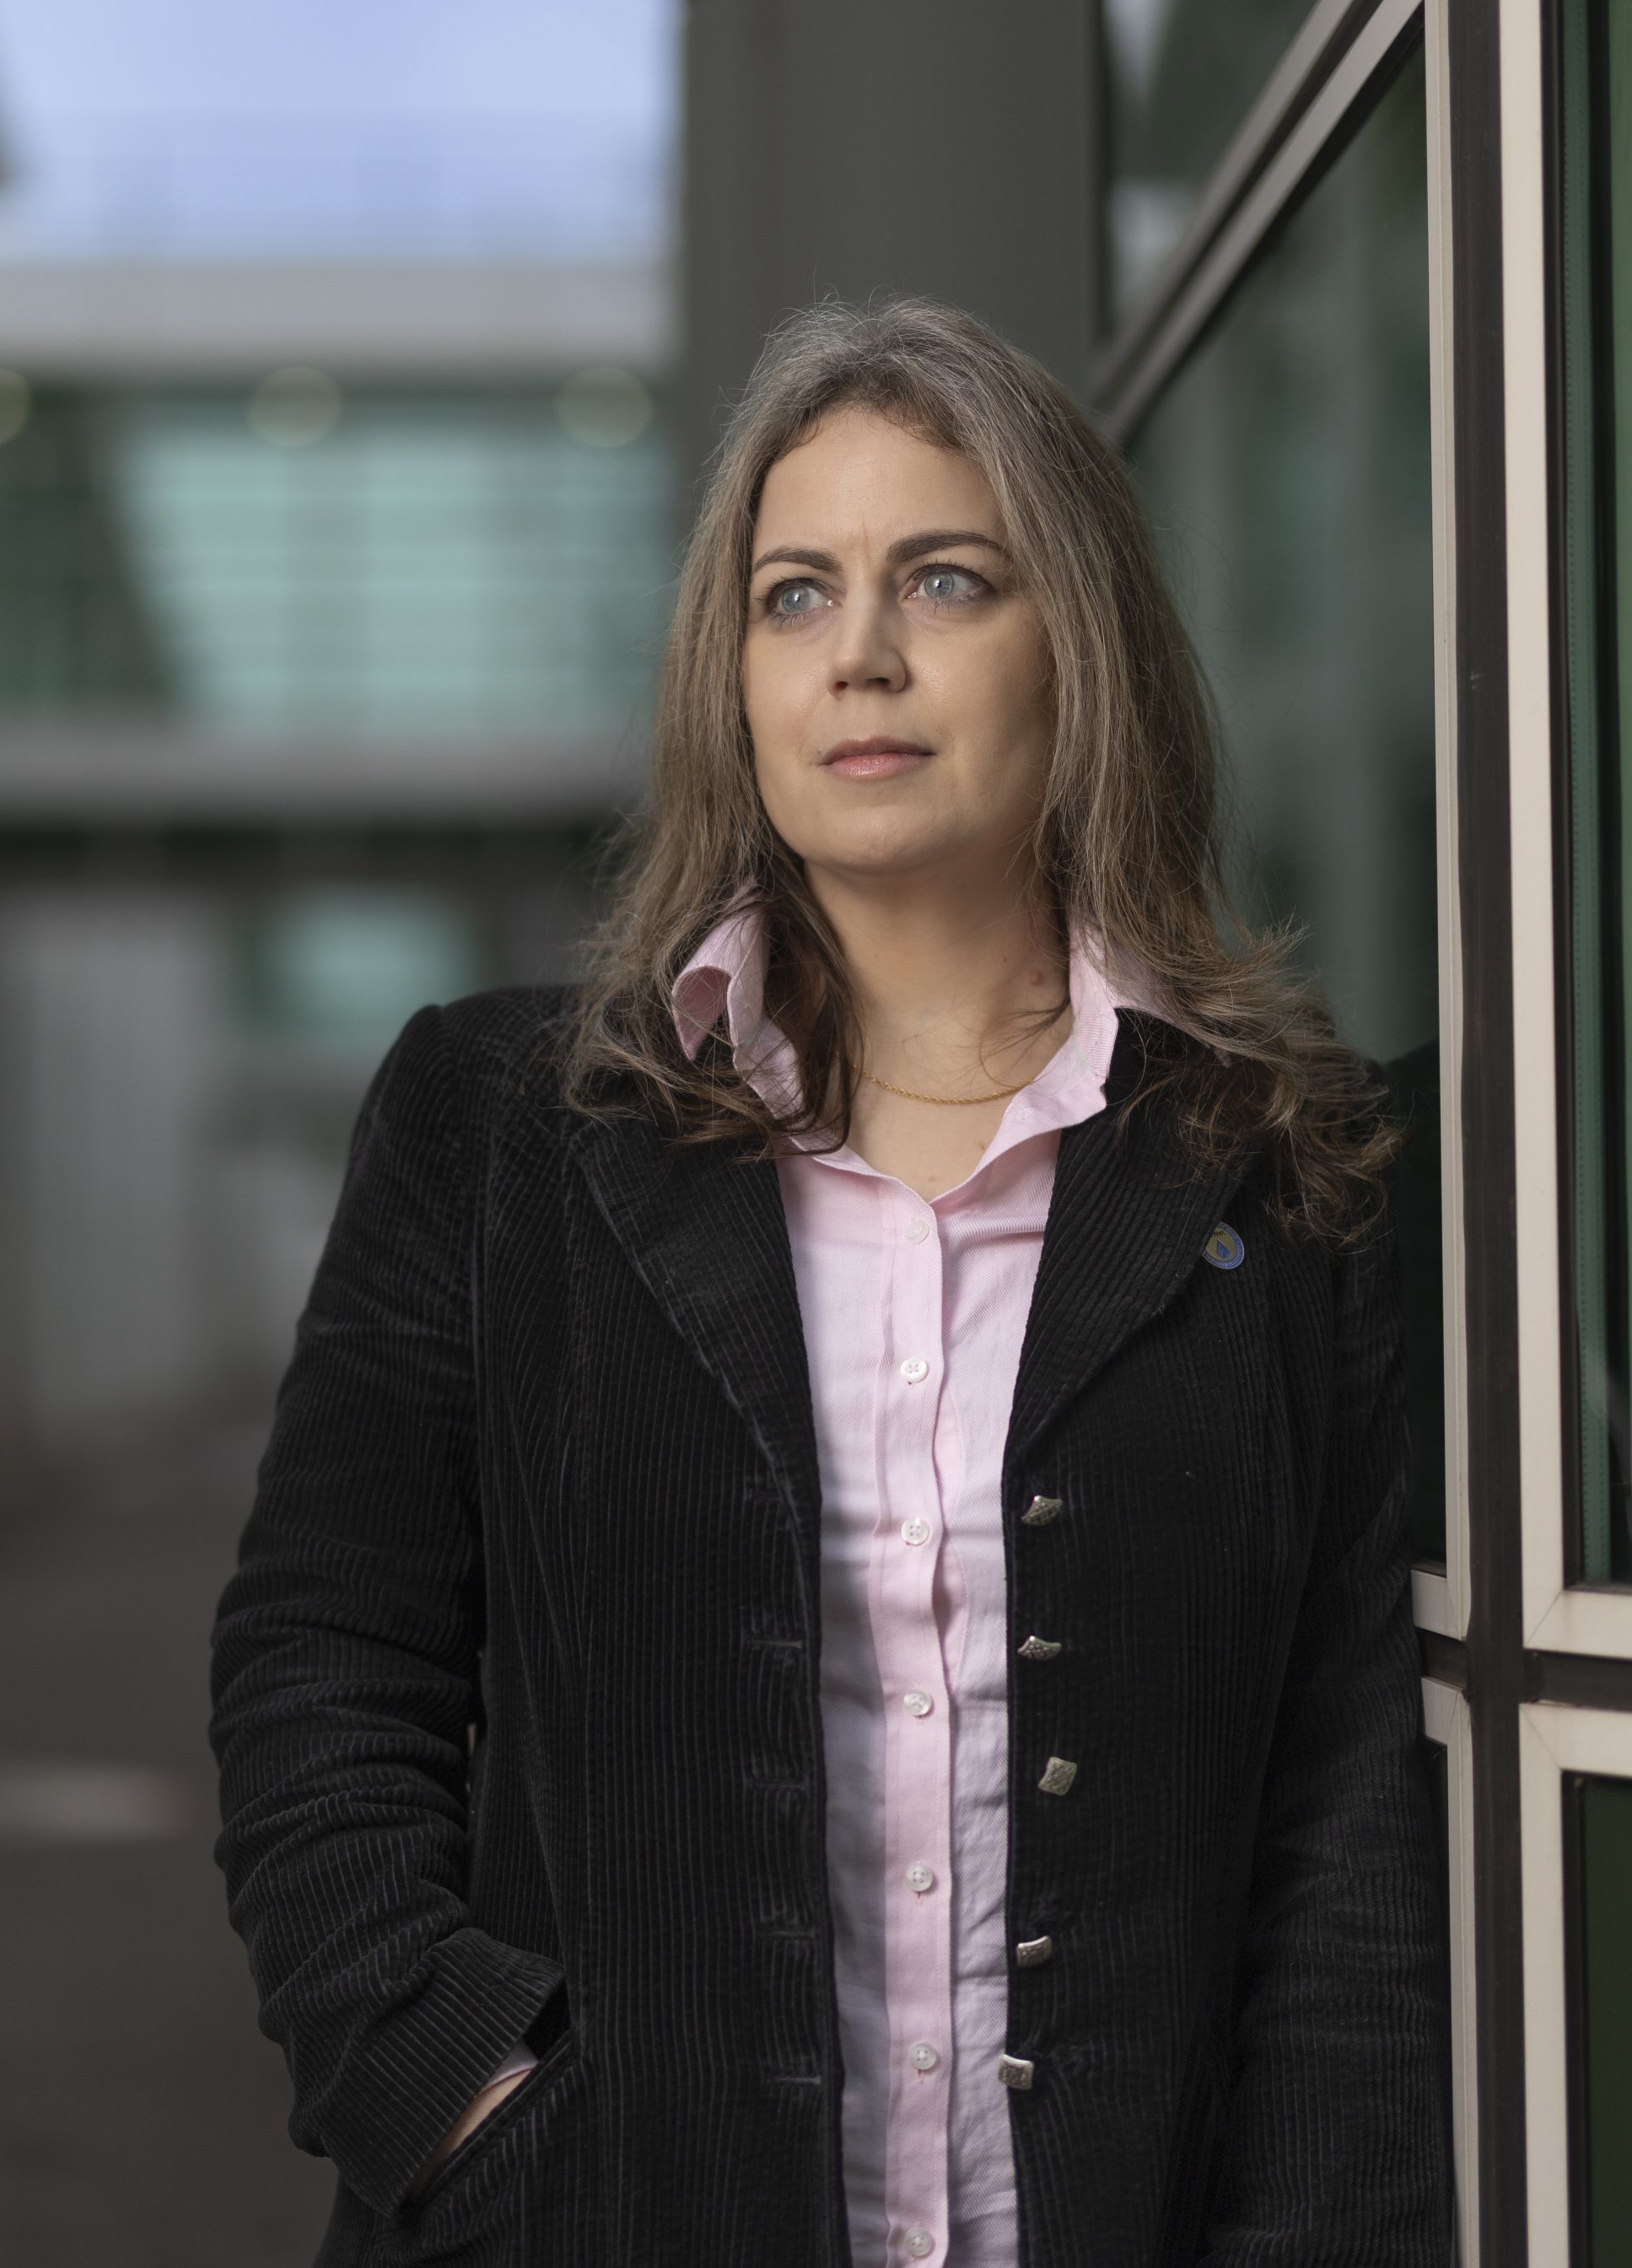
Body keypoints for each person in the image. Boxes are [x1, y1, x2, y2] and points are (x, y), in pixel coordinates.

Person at [209, 298, 1449, 2266]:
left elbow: (1344, 1830)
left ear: (1083, 647)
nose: (857, 653)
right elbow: (318, 1670)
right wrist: (463, 2107)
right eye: (792, 595)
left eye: (940, 579)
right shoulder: (494, 1128)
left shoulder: (1290, 1181)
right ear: (734, 677)